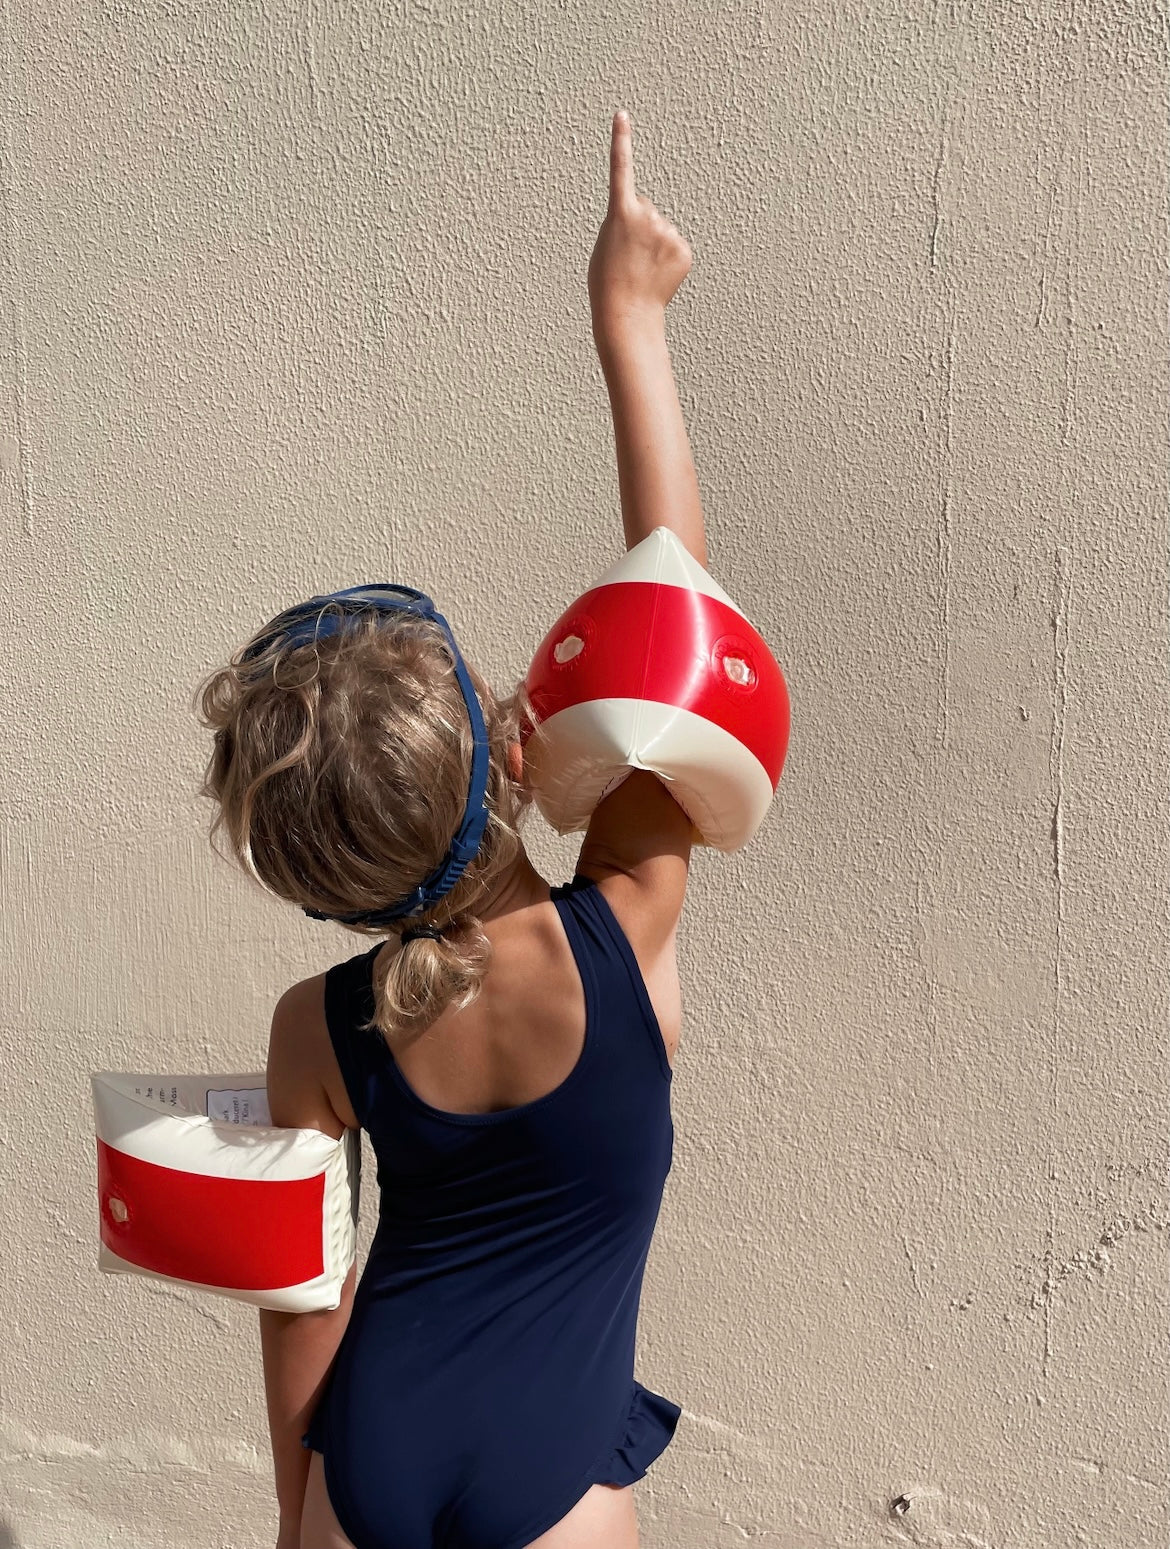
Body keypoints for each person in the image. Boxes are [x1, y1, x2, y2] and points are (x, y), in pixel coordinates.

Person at [199, 107, 705, 1549]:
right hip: (554, 1488)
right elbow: (673, 608)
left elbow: (301, 1302)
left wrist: (298, 1512)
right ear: (518, 749)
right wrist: (631, 327)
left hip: (366, 1466)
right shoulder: (625, 929)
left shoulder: (315, 1027)